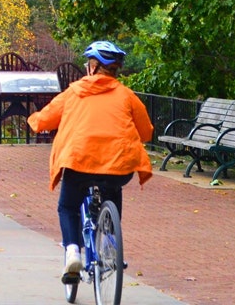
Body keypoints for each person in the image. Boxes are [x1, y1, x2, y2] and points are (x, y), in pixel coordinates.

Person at [27, 40, 153, 280]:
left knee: (68, 206)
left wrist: (33, 121)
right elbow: (146, 132)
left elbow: (44, 120)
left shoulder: (74, 92)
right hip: (117, 165)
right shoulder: (127, 95)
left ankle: (73, 251)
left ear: (93, 68)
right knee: (112, 191)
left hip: (80, 162)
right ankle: (111, 243)